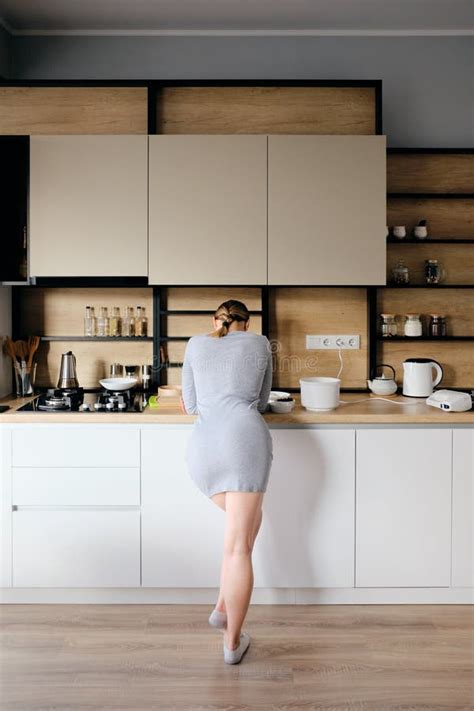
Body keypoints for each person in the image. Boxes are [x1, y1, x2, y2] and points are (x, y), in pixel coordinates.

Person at [180, 299, 273, 664]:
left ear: (213, 320)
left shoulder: (194, 344)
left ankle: (222, 606)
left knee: (251, 522)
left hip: (203, 450)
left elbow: (190, 404)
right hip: (244, 444)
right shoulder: (260, 343)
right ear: (246, 324)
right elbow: (262, 401)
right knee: (239, 547)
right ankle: (232, 642)